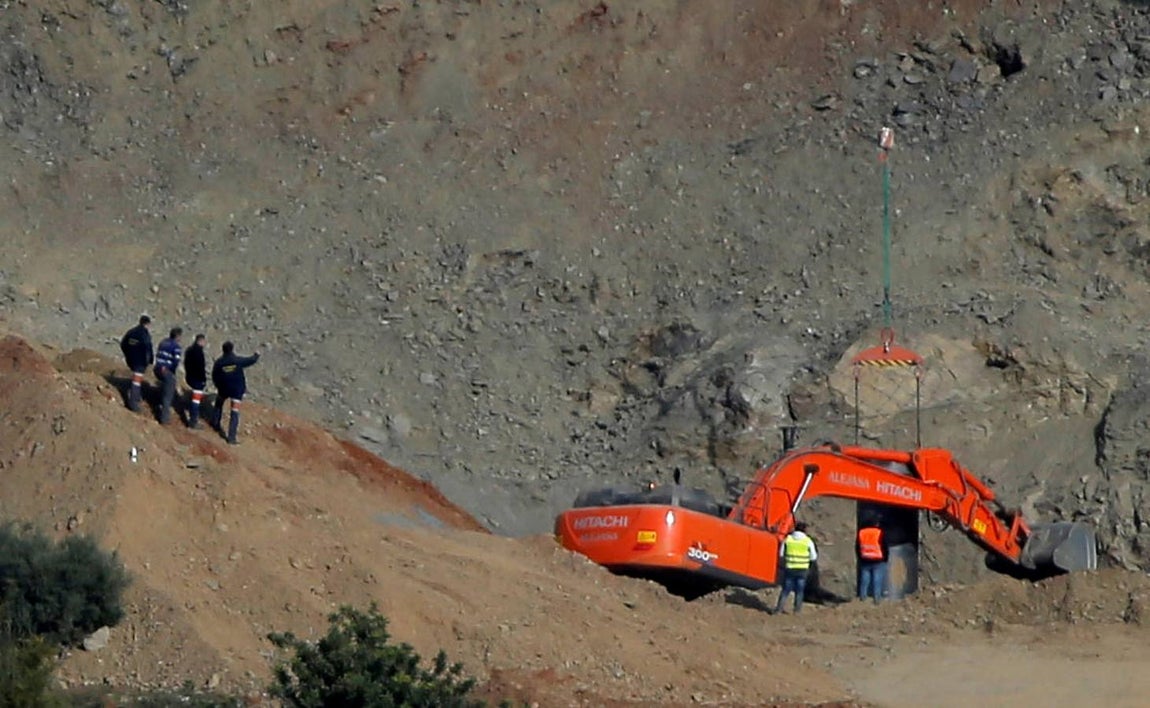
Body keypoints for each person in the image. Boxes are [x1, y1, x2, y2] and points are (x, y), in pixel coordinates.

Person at [210, 341, 260, 444]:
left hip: (223, 389)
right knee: (234, 412)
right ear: (232, 349)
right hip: (236, 390)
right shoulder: (237, 361)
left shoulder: (219, 362)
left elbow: (214, 376)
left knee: (219, 404)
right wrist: (256, 355)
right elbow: (250, 360)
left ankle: (215, 424)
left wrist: (218, 386)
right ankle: (231, 437)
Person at [775, 521, 818, 615]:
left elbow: (781, 554)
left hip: (790, 567)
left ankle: (778, 609)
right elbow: (813, 557)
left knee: (785, 590)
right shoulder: (808, 541)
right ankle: (797, 611)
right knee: (800, 591)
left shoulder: (788, 539)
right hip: (802, 569)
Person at [119, 315, 154, 412]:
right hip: (140, 362)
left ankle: (137, 397)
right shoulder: (144, 334)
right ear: (147, 324)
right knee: (137, 381)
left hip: (132, 360)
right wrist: (149, 361)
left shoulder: (131, 332)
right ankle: (133, 404)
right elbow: (148, 348)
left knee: (136, 379)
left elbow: (123, 344)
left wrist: (128, 356)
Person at [153, 327, 183, 424]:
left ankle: (158, 404)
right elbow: (176, 361)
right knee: (169, 393)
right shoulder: (176, 346)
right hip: (166, 370)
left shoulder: (163, 342)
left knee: (165, 387)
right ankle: (164, 418)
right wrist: (172, 371)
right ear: (177, 336)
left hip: (157, 368)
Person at [856, 517, 890, 603]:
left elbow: (857, 546)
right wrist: (886, 558)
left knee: (864, 579)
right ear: (876, 524)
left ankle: (862, 597)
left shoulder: (861, 532)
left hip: (865, 559)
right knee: (877, 579)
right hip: (878, 559)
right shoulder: (879, 532)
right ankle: (877, 598)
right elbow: (884, 546)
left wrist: (860, 557)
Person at [183, 334, 209, 428]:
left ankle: (192, 418)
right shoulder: (199, 352)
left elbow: (186, 363)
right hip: (197, 379)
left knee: (194, 398)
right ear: (201, 341)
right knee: (196, 400)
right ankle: (193, 421)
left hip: (190, 377)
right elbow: (200, 368)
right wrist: (203, 379)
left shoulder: (189, 350)